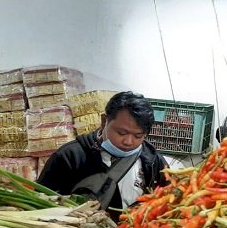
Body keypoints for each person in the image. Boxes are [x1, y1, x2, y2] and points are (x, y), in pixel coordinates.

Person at [37, 91, 168, 213]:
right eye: (121, 133)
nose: (128, 141)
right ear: (104, 121)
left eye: (138, 136)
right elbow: (40, 202)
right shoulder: (70, 156)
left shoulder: (152, 161)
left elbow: (167, 198)